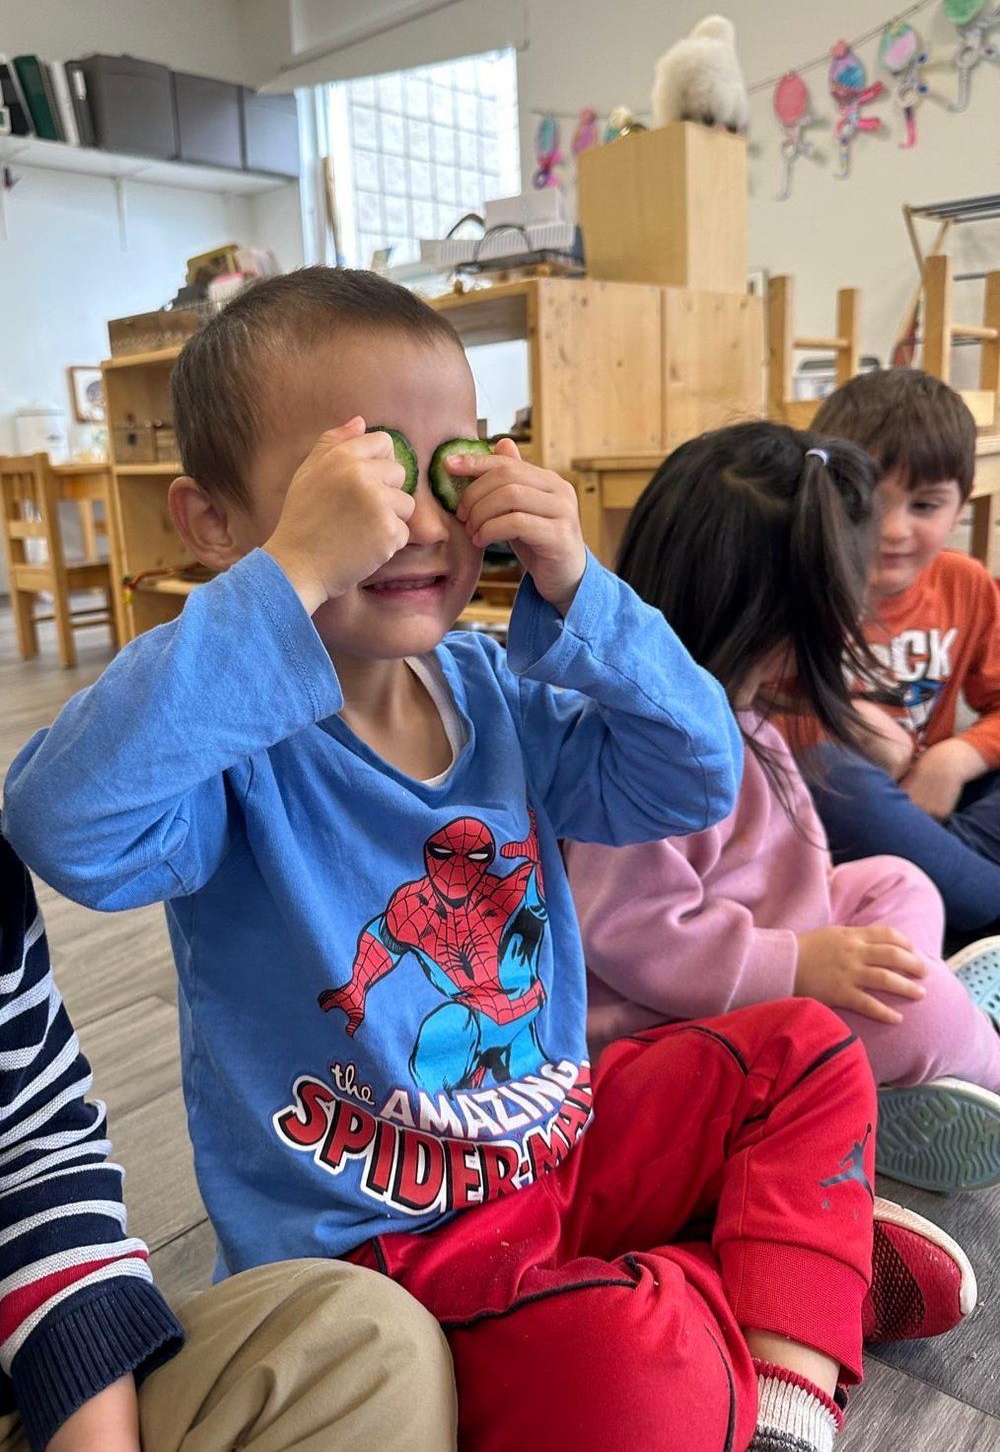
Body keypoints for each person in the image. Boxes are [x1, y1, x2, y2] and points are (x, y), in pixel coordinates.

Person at [0, 270, 969, 1452]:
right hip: (383, 1244)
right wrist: (286, 579)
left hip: (554, 1144)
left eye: (452, 469)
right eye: (356, 479)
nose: (416, 522)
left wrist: (580, 584)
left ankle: (781, 1383)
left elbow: (690, 773)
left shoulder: (494, 690)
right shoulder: (226, 748)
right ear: (212, 524)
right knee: (641, 1379)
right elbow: (63, 823)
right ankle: (786, 1274)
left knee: (809, 1051)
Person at [566, 421, 1000, 1194]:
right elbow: (630, 935)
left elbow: (775, 867)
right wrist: (800, 964)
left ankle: (895, 1079)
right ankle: (971, 1063)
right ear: (781, 622)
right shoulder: (646, 757)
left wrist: (821, 952)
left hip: (758, 945)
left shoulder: (739, 707)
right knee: (925, 1008)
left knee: (901, 881)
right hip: (664, 1028)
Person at [0, 829, 456, 1452]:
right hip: (363, 1212)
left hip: (35, 1377)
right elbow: (62, 826)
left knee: (374, 1345)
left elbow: (32, 1144)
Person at [805, 368, 1000, 946]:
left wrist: (956, 758)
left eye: (925, 505)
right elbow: (742, 721)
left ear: (961, 505)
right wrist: (837, 726)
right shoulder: (795, 583)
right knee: (835, 774)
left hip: (931, 803)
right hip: (832, 818)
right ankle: (977, 905)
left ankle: (945, 895)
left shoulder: (965, 583)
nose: (892, 530)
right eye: (865, 504)